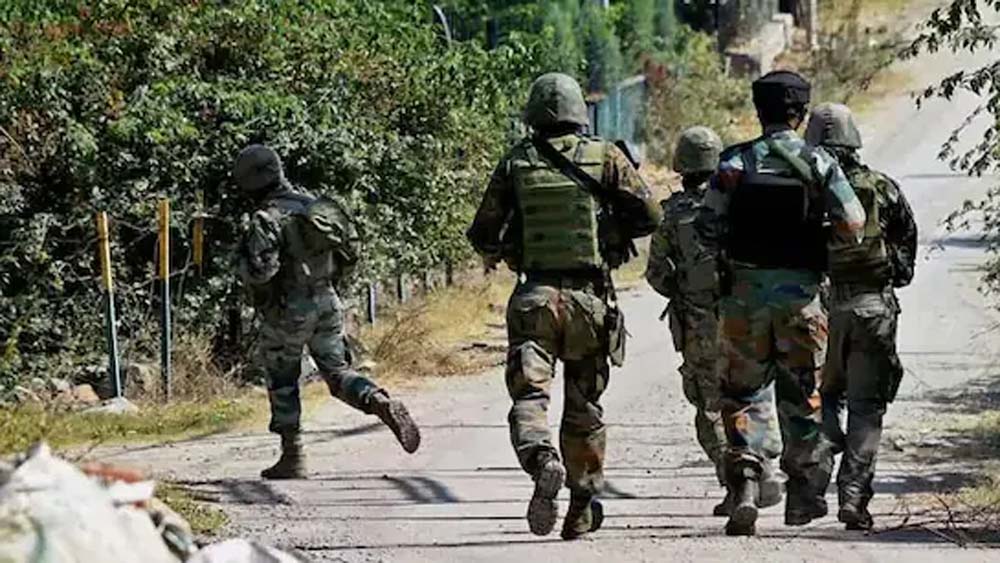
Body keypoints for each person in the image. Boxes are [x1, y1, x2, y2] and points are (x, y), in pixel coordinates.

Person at [467, 72, 660, 540]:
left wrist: (509, 245)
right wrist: (610, 230)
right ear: (580, 112)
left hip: (534, 300)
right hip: (589, 302)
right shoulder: (606, 156)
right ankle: (580, 508)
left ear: (533, 114)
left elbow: (482, 233)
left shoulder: (516, 162)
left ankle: (541, 460)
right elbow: (650, 215)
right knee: (584, 407)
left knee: (529, 397)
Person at [696, 70, 867, 536]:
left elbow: (706, 226)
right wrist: (817, 240)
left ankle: (747, 485)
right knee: (803, 394)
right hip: (802, 301)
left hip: (743, 300)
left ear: (759, 111)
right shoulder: (818, 161)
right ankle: (801, 496)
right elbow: (854, 224)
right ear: (801, 113)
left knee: (741, 394)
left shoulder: (734, 162)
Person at [234, 144, 421, 480]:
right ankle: (377, 401)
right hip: (327, 301)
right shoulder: (313, 206)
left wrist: (240, 264)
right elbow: (349, 254)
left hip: (287, 309)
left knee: (283, 379)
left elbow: (262, 272)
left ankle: (293, 456)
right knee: (338, 372)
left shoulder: (266, 218)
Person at [646, 126, 781, 517]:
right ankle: (763, 467)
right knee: (751, 394)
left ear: (681, 166)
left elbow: (656, 273)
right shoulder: (742, 202)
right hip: (745, 316)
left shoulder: (674, 215)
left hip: (699, 322)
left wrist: (686, 293)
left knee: (709, 407)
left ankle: (737, 485)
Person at [805, 103, 917, 531]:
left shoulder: (808, 192)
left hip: (822, 310)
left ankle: (818, 470)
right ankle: (853, 498)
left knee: (822, 397)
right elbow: (906, 247)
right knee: (867, 406)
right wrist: (889, 276)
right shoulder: (882, 188)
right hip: (873, 309)